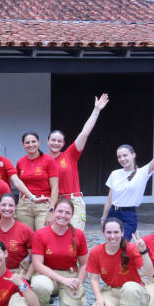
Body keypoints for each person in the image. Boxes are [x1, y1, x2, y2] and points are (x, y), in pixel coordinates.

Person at [47, 94, 109, 228]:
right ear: (47, 142)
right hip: (53, 203)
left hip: (73, 201)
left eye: (59, 141)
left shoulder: (70, 154)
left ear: (63, 143)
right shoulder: (43, 161)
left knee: (75, 237)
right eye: (53, 140)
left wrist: (96, 110)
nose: (56, 143)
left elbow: (84, 133)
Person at [89, 218, 154, 306]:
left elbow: (149, 273)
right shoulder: (96, 251)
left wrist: (143, 252)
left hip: (135, 293)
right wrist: (99, 297)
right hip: (111, 291)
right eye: (109, 232)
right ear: (103, 233)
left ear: (122, 232)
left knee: (129, 287)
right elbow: (94, 278)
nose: (112, 236)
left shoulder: (131, 249)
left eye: (116, 232)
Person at [29, 199, 89, 306]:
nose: (63, 215)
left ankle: (68, 305)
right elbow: (37, 264)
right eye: (60, 211)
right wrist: (62, 280)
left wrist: (78, 283)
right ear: (54, 212)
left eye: (67, 213)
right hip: (48, 275)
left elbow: (84, 264)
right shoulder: (41, 233)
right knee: (40, 285)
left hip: (70, 275)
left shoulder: (79, 235)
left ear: (72, 215)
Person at [15, 132, 59, 230]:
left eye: (33, 141)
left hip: (44, 204)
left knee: (43, 236)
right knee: (27, 238)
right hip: (24, 205)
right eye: (27, 142)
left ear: (39, 142)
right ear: (23, 145)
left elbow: (55, 188)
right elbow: (19, 184)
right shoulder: (20, 162)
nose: (31, 145)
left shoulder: (49, 160)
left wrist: (52, 210)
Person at [0, 193, 35, 278]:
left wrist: (27, 278)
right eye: (3, 205)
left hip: (19, 274)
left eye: (11, 205)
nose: (7, 208)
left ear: (16, 207)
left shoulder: (25, 230)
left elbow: (35, 259)